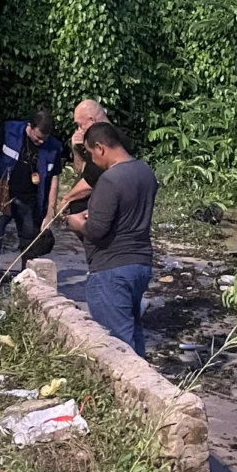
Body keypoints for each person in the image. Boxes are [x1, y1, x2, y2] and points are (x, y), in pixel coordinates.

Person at [67, 123, 158, 357]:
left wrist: (76, 222)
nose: (92, 160)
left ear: (100, 148)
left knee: (117, 346)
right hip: (139, 263)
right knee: (133, 333)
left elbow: (96, 230)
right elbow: (125, 213)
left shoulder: (110, 180)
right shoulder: (144, 171)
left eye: (90, 153)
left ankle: (129, 391)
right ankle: (145, 386)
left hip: (111, 269)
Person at [0, 109, 63, 288]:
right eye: (38, 138)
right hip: (3, 195)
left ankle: (28, 280)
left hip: (31, 201)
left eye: (44, 139)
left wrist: (50, 212)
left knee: (29, 240)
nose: (41, 142)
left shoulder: (54, 147)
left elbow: (54, 179)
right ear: (29, 127)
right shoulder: (9, 130)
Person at [58, 99, 108, 218]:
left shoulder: (107, 142)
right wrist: (76, 148)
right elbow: (81, 169)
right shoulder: (93, 141)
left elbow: (91, 181)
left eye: (81, 125)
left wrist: (67, 199)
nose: (80, 130)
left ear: (91, 120)